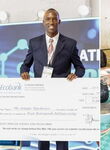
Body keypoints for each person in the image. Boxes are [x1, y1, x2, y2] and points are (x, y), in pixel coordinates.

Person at [20, 8, 85, 150]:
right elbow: (25, 65)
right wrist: (24, 72)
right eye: (48, 19)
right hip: (41, 97)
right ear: (43, 22)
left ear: (59, 21)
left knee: (61, 136)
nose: (51, 22)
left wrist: (76, 75)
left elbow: (80, 68)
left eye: (54, 18)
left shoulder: (70, 43)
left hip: (62, 96)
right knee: (43, 136)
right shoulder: (34, 42)